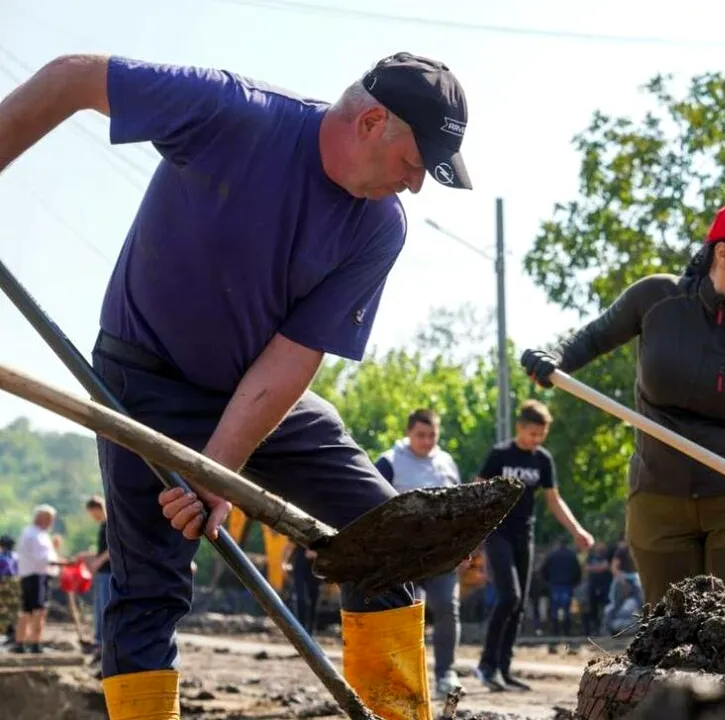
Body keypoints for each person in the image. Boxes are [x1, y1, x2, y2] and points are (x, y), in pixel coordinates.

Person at [0, 49, 472, 719]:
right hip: (145, 379)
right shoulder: (231, 112)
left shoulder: (378, 227)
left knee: (385, 538)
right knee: (148, 591)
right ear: (372, 123)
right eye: (414, 164)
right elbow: (74, 78)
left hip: (259, 396)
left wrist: (215, 473)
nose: (416, 186)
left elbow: (292, 356)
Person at [520, 202, 725, 606]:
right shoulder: (656, 299)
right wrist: (554, 357)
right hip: (658, 502)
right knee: (669, 642)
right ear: (723, 253)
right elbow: (593, 338)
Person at [472, 399, 594, 692]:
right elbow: (476, 490)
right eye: (532, 434)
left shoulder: (543, 460)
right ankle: (486, 666)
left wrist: (577, 530)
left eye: (541, 435)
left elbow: (554, 500)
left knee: (519, 604)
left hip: (524, 535)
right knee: (508, 596)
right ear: (520, 428)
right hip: (498, 532)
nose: (536, 440)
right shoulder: (500, 455)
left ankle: (504, 668)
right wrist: (472, 534)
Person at [374, 408, 464, 696]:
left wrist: (463, 544)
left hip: (441, 553)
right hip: (403, 554)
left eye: (432, 435)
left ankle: (445, 673)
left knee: (447, 608)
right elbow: (373, 506)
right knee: (407, 614)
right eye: (420, 435)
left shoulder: (447, 462)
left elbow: (460, 508)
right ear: (408, 432)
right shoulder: (389, 462)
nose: (426, 441)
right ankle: (403, 676)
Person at [14, 505, 62, 654]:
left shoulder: (37, 534)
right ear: (42, 518)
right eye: (50, 519)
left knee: (28, 610)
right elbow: (43, 559)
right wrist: (65, 562)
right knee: (38, 610)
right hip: (36, 575)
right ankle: (35, 643)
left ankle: (23, 642)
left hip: (33, 575)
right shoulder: (34, 535)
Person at [77, 496, 112, 660]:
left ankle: (103, 643)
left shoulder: (111, 524)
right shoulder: (103, 526)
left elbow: (113, 547)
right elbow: (102, 551)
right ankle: (98, 641)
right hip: (102, 572)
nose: (93, 517)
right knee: (99, 607)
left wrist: (97, 561)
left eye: (93, 513)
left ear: (98, 508)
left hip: (109, 571)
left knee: (105, 607)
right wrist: (89, 556)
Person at [539, 538, 582, 638]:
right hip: (567, 585)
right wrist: (575, 582)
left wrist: (547, 582)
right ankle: (567, 632)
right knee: (567, 609)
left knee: (554, 610)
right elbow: (577, 570)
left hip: (555, 585)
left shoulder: (552, 555)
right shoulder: (572, 556)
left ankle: (555, 632)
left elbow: (543, 570)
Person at [282, 541, 321, 635]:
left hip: (315, 566)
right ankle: (300, 630)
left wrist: (318, 553)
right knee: (300, 598)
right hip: (300, 564)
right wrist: (284, 562)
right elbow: (290, 544)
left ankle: (310, 632)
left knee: (313, 599)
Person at [582, 542, 613, 637]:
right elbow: (586, 568)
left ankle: (606, 629)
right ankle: (595, 629)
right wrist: (599, 568)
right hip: (593, 586)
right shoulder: (591, 557)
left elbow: (607, 567)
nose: (600, 547)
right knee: (593, 608)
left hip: (605, 586)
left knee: (606, 608)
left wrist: (594, 568)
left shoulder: (607, 556)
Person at [0, 535, 18, 646]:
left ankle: (9, 633)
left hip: (4, 583)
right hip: (15, 584)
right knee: (12, 610)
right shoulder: (16, 556)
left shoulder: (2, 557)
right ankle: (12, 634)